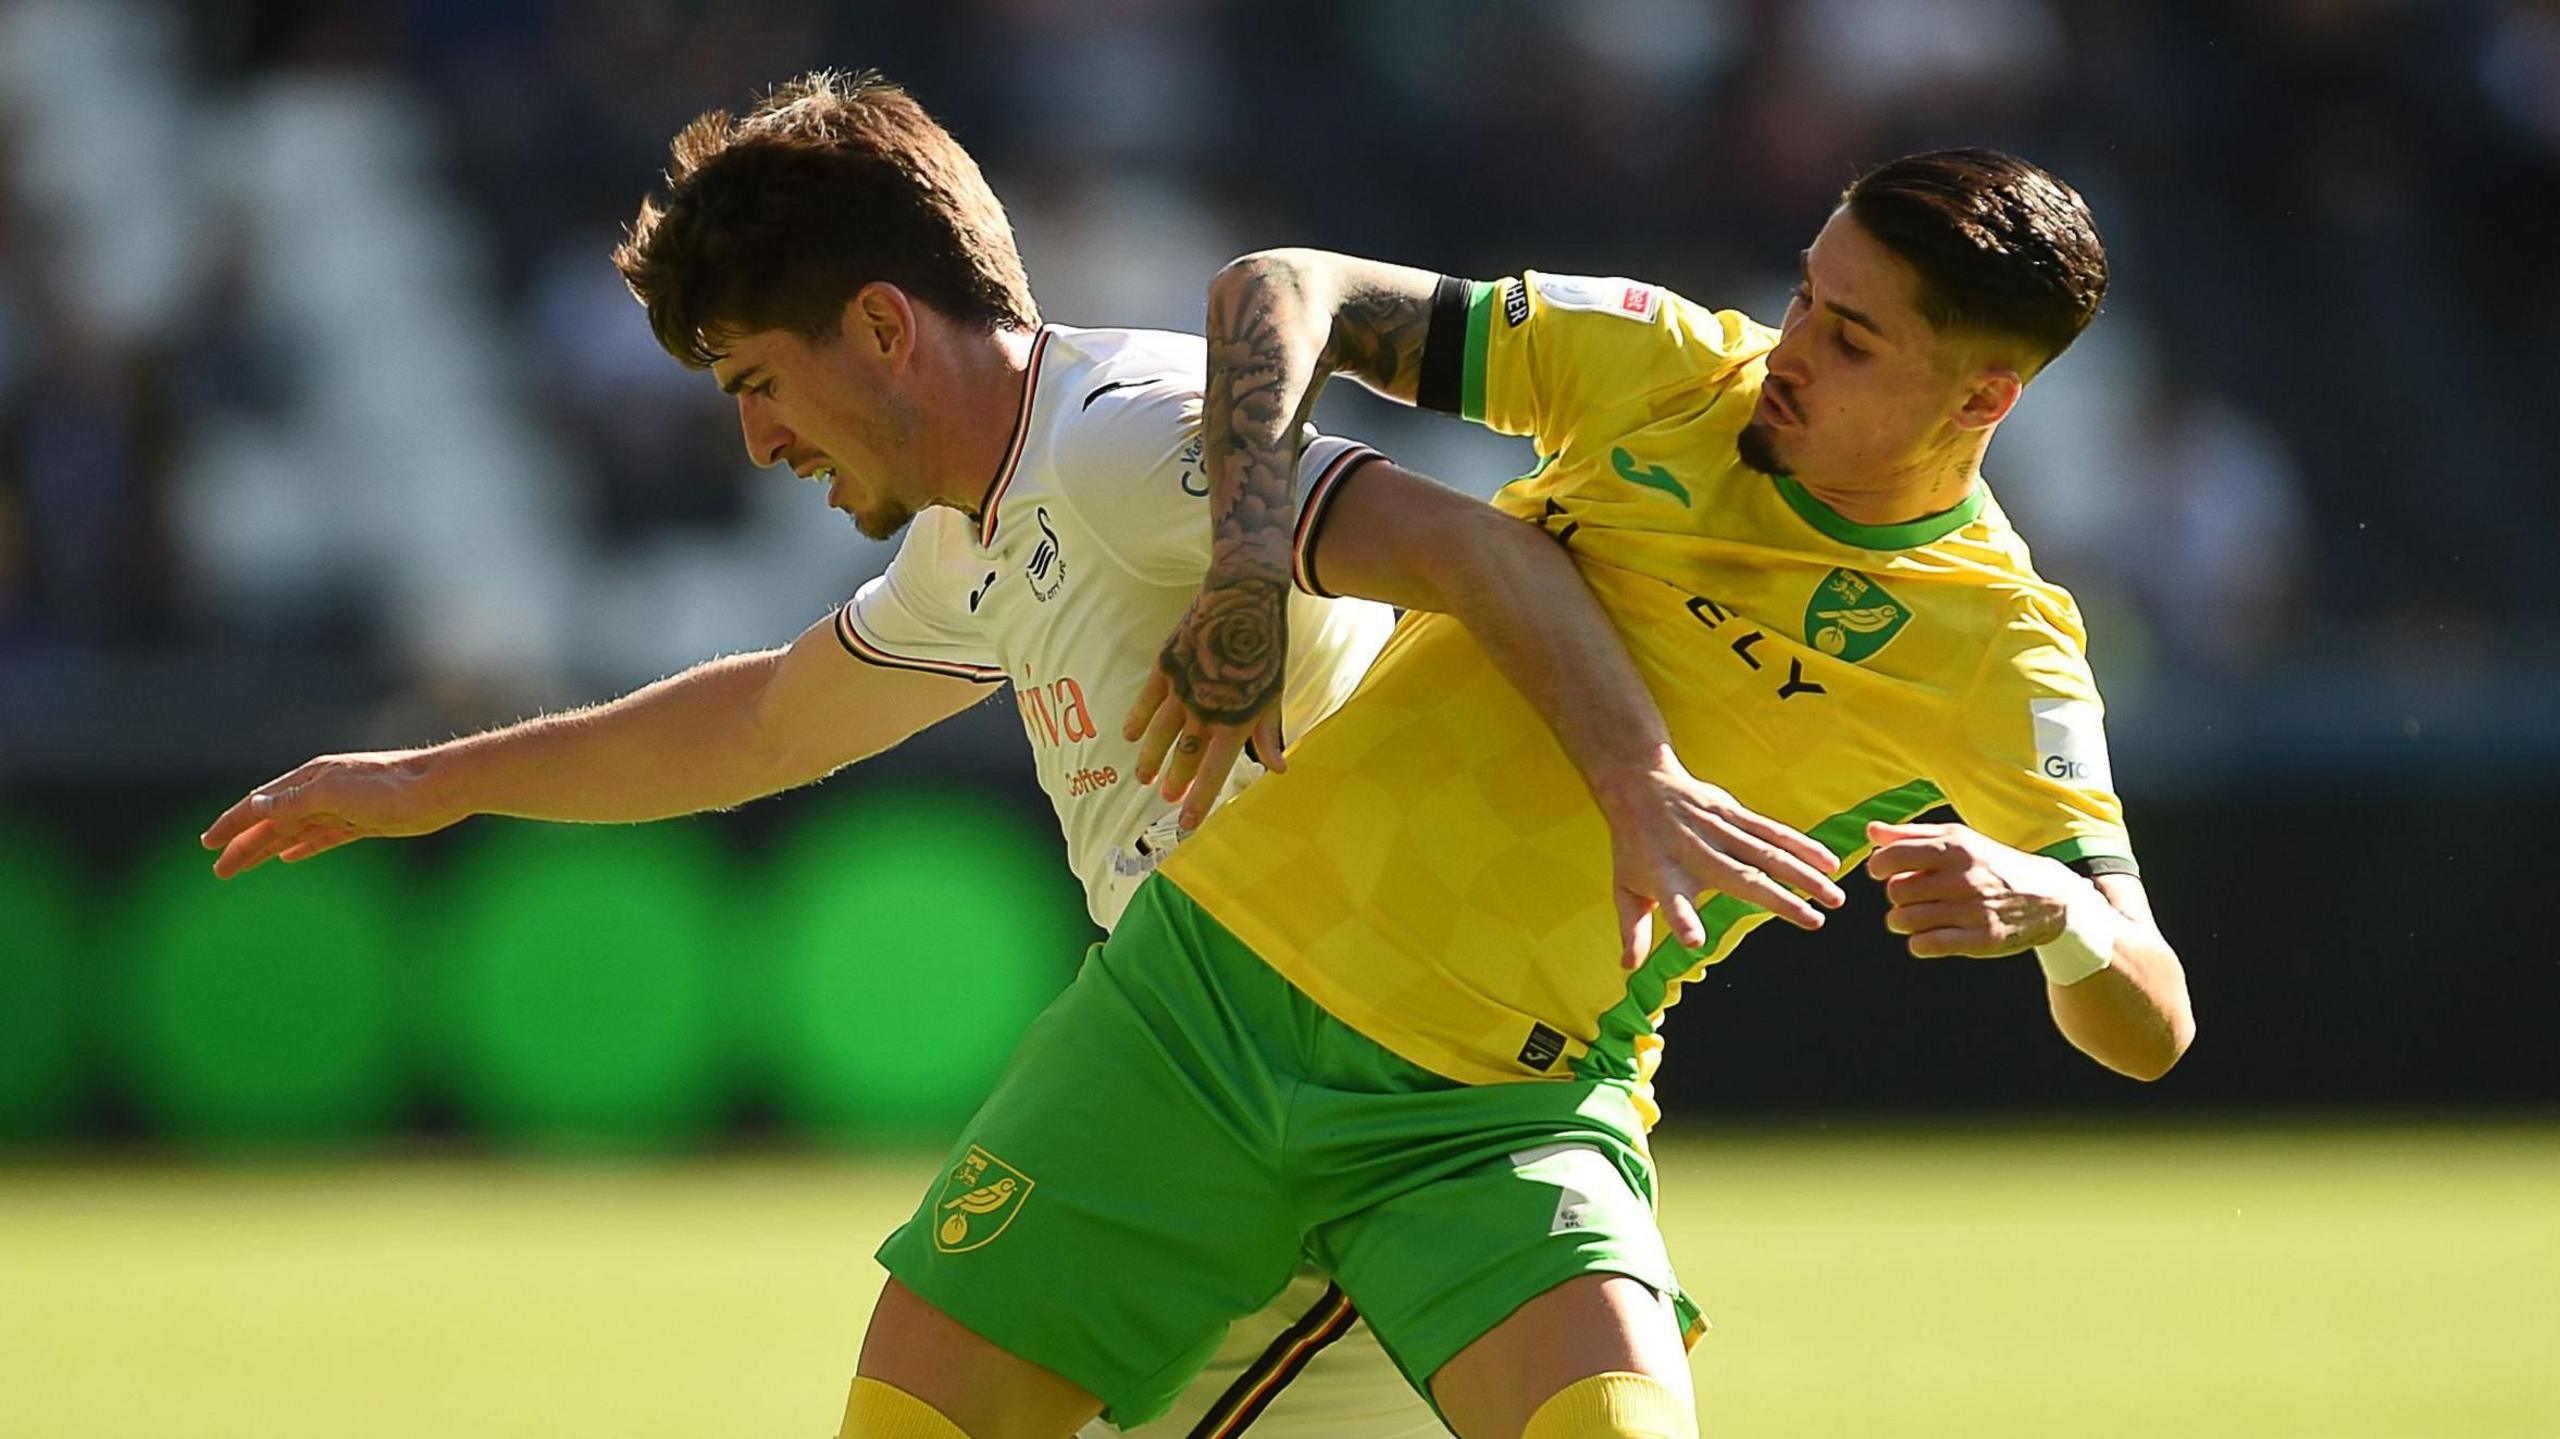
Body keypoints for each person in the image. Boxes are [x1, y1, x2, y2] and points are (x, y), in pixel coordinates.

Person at [195, 71, 1843, 1439]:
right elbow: (771, 717)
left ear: (883, 326)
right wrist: (438, 780)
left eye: (760, 381)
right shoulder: (980, 537)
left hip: (1397, 1065)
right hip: (1203, 1066)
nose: (758, 439)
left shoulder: (1128, 437)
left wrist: (1638, 783)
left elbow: (1491, 552)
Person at [859, 150, 2199, 1438]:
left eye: (1853, 340)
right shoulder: (1664, 368)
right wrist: (1249, 568)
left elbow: (2150, 1021)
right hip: (1197, 1009)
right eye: (1806, 293)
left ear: (1986, 399)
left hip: (1496, 1116)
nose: (1789, 349)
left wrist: (2058, 914)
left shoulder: (1999, 647)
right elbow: (1275, 288)